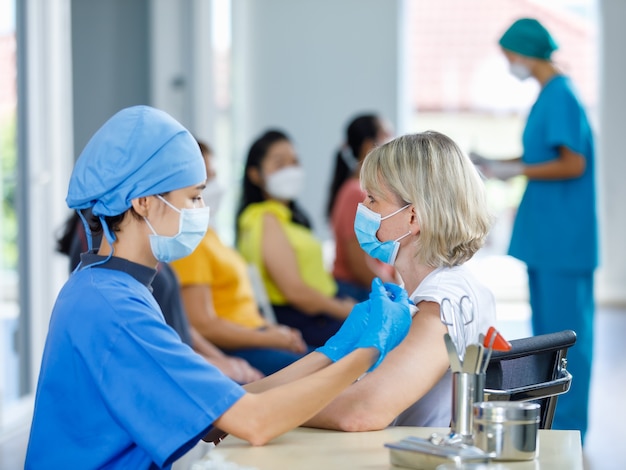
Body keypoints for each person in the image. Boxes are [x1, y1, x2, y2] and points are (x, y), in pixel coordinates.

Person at [25, 105, 413, 469]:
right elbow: (254, 421)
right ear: (143, 201)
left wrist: (334, 351)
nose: (200, 210)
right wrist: (366, 351)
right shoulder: (113, 307)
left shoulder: (111, 288)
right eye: (193, 196)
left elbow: (223, 410)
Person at [303, 130, 496, 431]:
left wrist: (266, 410)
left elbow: (362, 410)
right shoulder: (442, 288)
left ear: (413, 218)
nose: (362, 209)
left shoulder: (441, 301)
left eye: (372, 199)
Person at [472, 18, 598, 443]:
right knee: (549, 334)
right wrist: (500, 163)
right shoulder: (549, 96)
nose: (508, 62)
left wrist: (517, 169)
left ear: (525, 51)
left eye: (509, 54)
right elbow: (540, 155)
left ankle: (568, 427)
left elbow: (572, 163)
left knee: (566, 338)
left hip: (565, 239)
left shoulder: (561, 94)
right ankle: (554, 424)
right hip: (549, 238)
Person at [56, 211, 263, 384]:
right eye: (193, 196)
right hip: (169, 375)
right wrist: (213, 367)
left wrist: (224, 362)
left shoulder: (149, 241)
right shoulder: (104, 255)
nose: (198, 207)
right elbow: (139, 351)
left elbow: (176, 321)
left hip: (182, 366)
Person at [170, 140, 310, 376]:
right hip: (239, 347)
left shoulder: (210, 235)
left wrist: (275, 332)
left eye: (213, 176)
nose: (212, 187)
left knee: (336, 368)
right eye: (203, 181)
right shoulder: (190, 243)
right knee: (334, 376)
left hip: (257, 335)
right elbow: (204, 325)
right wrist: (269, 339)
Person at [236, 130, 356, 347]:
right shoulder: (265, 218)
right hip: (306, 319)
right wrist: (344, 309)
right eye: (280, 164)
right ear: (255, 174)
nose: (290, 170)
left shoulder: (285, 217)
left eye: (295, 162)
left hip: (322, 309)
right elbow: (296, 292)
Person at [326, 113, 396, 302]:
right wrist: (397, 294)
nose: (393, 138)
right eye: (386, 134)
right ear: (368, 146)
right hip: (357, 292)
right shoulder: (355, 193)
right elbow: (359, 264)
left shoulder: (361, 190)